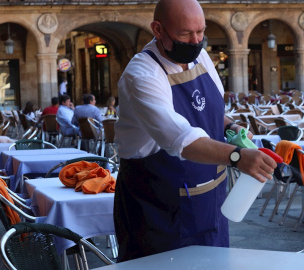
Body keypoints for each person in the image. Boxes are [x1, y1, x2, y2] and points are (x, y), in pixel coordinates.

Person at [113, 0, 276, 262]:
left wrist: (230, 127)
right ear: (158, 29)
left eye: (200, 31)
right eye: (185, 34)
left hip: (210, 201)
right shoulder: (142, 75)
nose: (195, 40)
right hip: (160, 208)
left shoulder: (200, 56)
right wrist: (237, 157)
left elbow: (208, 110)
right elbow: (180, 139)